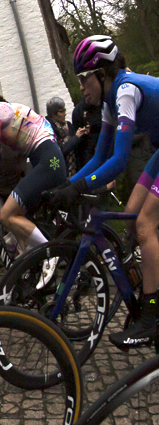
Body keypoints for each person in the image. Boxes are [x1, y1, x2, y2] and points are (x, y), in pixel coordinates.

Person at [56, 36, 159, 348]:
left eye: (84, 78)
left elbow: (119, 160)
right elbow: (99, 158)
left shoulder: (125, 91)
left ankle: (153, 315)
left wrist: (79, 188)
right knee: (132, 216)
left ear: (102, 73)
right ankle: (150, 284)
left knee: (144, 224)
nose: (82, 87)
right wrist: (68, 185)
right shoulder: (108, 103)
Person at [0, 77, 66, 255]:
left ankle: (52, 255)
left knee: (6, 215)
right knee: (18, 221)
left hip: (48, 162)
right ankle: (31, 265)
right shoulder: (2, 112)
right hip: (46, 160)